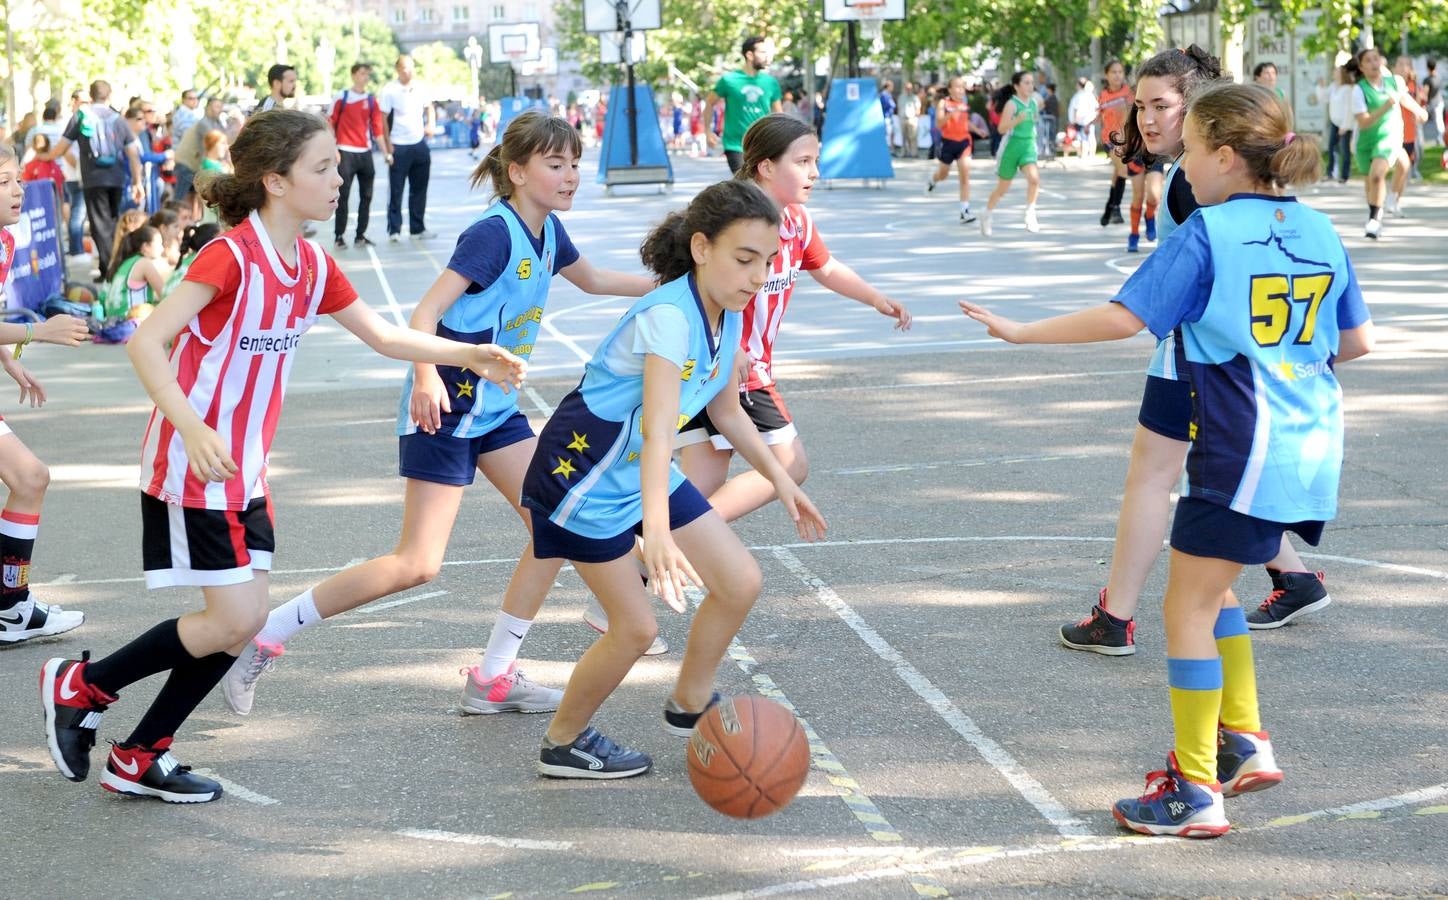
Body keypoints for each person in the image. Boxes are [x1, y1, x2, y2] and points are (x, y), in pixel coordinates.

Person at [37, 109, 526, 804]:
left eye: (336, 167)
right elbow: (149, 344)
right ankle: (83, 687)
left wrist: (466, 352)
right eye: (322, 169)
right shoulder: (228, 255)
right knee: (234, 623)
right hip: (194, 463)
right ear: (274, 181)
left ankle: (140, 753)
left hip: (244, 468)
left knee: (241, 626)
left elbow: (385, 337)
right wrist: (193, 427)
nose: (338, 179)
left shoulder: (312, 264)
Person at [962, 81, 1375, 837]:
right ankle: (1243, 740)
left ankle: (1194, 788)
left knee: (1184, 605)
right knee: (1213, 593)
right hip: (1310, 443)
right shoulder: (1320, 227)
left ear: (1222, 156)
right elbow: (1354, 343)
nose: (1181, 163)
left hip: (1241, 445)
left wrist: (1021, 332)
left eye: (1188, 150)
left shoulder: (1208, 233)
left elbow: (1126, 318)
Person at [220, 111, 654, 717]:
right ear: (518, 171)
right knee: (417, 564)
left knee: (554, 523)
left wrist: (676, 283)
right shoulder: (493, 234)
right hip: (446, 405)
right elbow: (423, 316)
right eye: (557, 164)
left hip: (496, 407)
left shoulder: (549, 231)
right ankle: (268, 635)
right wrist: (425, 375)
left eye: (576, 163)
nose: (571, 175)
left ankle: (493, 677)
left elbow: (598, 279)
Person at [522, 179, 826, 778]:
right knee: (635, 629)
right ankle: (562, 741)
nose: (758, 274)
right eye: (745, 259)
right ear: (701, 248)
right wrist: (656, 533)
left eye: (766, 261)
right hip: (584, 477)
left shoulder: (727, 310)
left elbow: (728, 409)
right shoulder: (668, 316)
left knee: (738, 581)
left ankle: (688, 702)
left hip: (634, 469)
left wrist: (782, 479)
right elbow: (662, 430)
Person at [1055, 46, 1330, 649]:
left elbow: (1134, 313)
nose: (1147, 118)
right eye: (1140, 105)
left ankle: (1117, 616)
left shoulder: (1193, 186)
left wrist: (1024, 331)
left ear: (1199, 111)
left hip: (1200, 357)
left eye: (1162, 106)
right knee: (1214, 483)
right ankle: (1294, 574)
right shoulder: (1242, 187)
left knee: (1154, 482)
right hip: (1244, 356)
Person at [0, 144, 92, 645]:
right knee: (30, 476)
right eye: (4, 182)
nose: (18, 190)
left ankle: (10, 606)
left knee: (29, 478)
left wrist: (10, 359)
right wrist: (38, 333)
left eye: (17, 179)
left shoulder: (5, 242)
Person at [44, 80, 145, 276]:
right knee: (115, 223)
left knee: (100, 226)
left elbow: (62, 148)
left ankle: (111, 270)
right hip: (117, 179)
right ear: (109, 95)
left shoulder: (81, 117)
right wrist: (137, 181)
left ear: (90, 96)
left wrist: (44, 156)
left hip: (93, 179)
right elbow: (133, 153)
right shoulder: (119, 119)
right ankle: (112, 267)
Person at [1351, 47, 1426, 238]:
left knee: (1378, 175)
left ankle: (1374, 219)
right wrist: (1386, 106)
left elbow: (1404, 98)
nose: (1374, 63)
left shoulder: (1394, 81)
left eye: (1376, 59)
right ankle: (1377, 211)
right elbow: (1364, 122)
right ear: (1361, 67)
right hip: (1367, 140)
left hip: (1390, 137)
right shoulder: (1359, 91)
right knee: (1371, 181)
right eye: (1368, 60)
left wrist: (1420, 111)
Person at [329, 63, 393, 250]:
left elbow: (377, 130)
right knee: (343, 196)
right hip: (345, 152)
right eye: (362, 73)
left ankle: (360, 235)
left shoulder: (372, 100)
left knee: (367, 196)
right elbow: (329, 123)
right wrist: (333, 149)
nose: (366, 77)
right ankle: (339, 236)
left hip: (365, 155)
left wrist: (386, 153)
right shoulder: (342, 97)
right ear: (354, 75)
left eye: (368, 74)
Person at [707, 36, 783, 174]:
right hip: (735, 146)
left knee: (761, 189)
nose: (767, 56)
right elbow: (709, 103)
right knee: (746, 186)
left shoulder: (771, 83)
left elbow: (779, 115)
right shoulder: (729, 80)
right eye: (762, 52)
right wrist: (707, 131)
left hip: (763, 145)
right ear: (749, 55)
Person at [380, 55, 437, 242]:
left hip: (419, 143)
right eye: (405, 68)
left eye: (412, 67)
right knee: (396, 190)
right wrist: (388, 146)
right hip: (399, 145)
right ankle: (394, 230)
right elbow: (383, 120)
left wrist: (431, 125)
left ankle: (417, 228)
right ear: (398, 69)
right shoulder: (389, 90)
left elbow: (429, 108)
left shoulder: (421, 88)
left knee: (419, 188)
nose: (409, 71)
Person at [980, 72, 1042, 236]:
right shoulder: (1012, 105)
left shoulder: (1033, 103)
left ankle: (1030, 213)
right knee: (1002, 189)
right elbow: (1001, 129)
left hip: (1027, 146)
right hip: (1011, 148)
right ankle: (987, 214)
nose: (1030, 86)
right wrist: (1017, 120)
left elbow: (1034, 120)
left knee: (1034, 179)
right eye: (1026, 83)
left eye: (1031, 83)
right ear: (1016, 86)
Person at [31, 101, 84, 257]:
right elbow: (66, 153)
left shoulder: (36, 131)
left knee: (66, 210)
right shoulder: (63, 129)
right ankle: (74, 247)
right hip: (65, 175)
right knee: (71, 210)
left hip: (59, 176)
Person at [925, 77, 977, 224]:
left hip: (964, 143)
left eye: (963, 87)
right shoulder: (944, 103)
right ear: (950, 89)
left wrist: (977, 129)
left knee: (965, 177)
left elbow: (964, 121)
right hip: (948, 143)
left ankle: (964, 210)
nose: (961, 90)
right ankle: (933, 180)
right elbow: (939, 124)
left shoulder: (964, 103)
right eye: (957, 87)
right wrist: (951, 112)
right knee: (943, 174)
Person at [100, 224, 169, 323]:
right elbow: (165, 294)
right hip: (130, 322)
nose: (162, 249)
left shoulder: (125, 262)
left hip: (112, 321)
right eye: (159, 243)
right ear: (146, 247)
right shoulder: (144, 263)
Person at [1097, 62, 1134, 226]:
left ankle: (1108, 208)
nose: (1117, 75)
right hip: (1109, 140)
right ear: (1107, 75)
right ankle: (1116, 210)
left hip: (1126, 139)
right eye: (1113, 72)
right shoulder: (1103, 94)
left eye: (1120, 72)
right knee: (1123, 170)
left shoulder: (1129, 93)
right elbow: (1101, 116)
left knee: (1117, 173)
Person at [173, 96, 225, 203]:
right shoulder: (204, 123)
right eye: (216, 106)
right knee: (180, 199)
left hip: (193, 165)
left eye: (221, 107)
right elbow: (216, 142)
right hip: (186, 164)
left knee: (192, 198)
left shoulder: (215, 123)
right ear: (208, 108)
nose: (219, 110)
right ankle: (173, 218)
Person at [1325, 65, 1355, 184]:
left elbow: (1349, 108)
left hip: (1344, 123)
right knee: (1332, 147)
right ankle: (1331, 172)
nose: (1334, 73)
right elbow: (1325, 98)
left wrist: (1345, 125)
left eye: (1337, 71)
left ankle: (1344, 175)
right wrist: (1320, 87)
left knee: (1344, 150)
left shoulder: (1347, 89)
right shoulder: (1333, 86)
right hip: (1334, 122)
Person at [1394, 56, 1422, 181]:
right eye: (1399, 64)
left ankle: (1411, 172)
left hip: (1409, 126)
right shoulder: (1391, 84)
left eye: (1405, 64)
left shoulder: (1413, 85)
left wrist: (1419, 113)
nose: (1402, 67)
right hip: (1395, 125)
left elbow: (1418, 103)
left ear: (1410, 68)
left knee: (1411, 151)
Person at [22, 134, 66, 210]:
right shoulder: (54, 164)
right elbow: (62, 179)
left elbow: (25, 184)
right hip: (55, 203)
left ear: (33, 147)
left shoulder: (29, 165)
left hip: (37, 205)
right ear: (49, 146)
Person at [1068, 76, 1099, 161]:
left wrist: (1075, 120)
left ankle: (1085, 155)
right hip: (1089, 120)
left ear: (1079, 85)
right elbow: (1096, 107)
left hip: (1082, 121)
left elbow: (1076, 109)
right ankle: (1091, 155)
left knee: (1083, 138)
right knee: (1091, 137)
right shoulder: (1090, 95)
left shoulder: (1079, 95)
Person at [879, 79, 897, 153]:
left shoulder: (889, 95)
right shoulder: (884, 95)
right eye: (892, 86)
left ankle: (891, 150)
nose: (893, 88)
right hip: (886, 117)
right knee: (887, 134)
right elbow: (888, 105)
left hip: (890, 117)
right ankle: (886, 150)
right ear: (888, 86)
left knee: (892, 134)